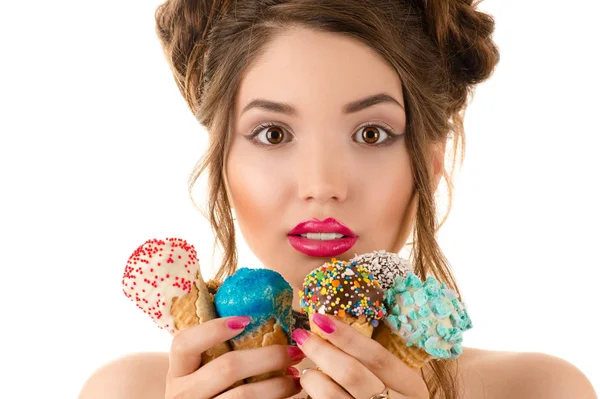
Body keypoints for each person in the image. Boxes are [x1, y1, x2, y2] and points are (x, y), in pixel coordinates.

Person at [79, 0, 598, 398]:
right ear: (223, 157)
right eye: (273, 134)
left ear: (432, 160)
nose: (323, 184)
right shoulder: (124, 391)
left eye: (372, 133)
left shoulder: (539, 390)